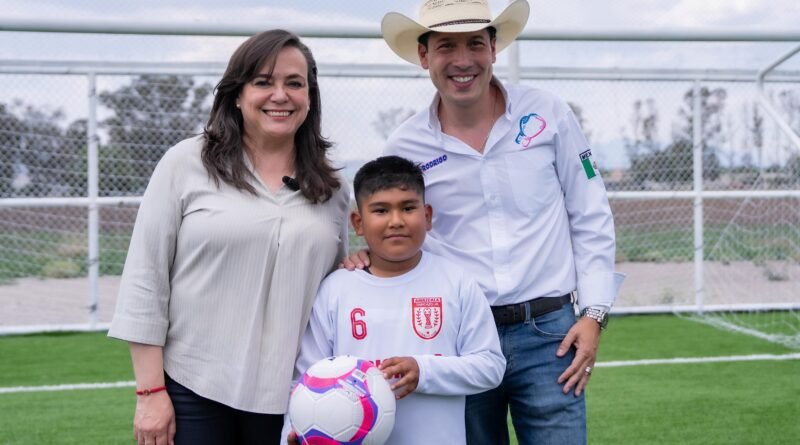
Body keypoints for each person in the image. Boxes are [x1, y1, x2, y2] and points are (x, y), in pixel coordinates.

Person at [345, 1, 626, 444]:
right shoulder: (405, 143)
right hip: (458, 337)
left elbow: (590, 211)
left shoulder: (549, 114)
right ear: (423, 56)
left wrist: (593, 314)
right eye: (445, 46)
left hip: (551, 333)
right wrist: (370, 254)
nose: (462, 60)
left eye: (475, 43)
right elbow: (396, 222)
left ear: (494, 48)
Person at [108, 29, 351, 445]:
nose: (281, 95)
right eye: (263, 82)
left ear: (310, 97)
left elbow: (333, 292)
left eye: (295, 83)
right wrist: (150, 392)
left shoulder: (331, 186)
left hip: (293, 396)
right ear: (237, 94)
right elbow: (145, 280)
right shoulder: (186, 163)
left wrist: (361, 267)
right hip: (193, 386)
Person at [285, 156, 505, 445]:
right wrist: (295, 434)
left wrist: (423, 371)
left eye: (408, 208)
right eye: (381, 210)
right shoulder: (336, 289)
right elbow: (307, 380)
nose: (396, 221)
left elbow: (490, 366)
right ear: (358, 223)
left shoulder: (457, 282)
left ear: (427, 216)